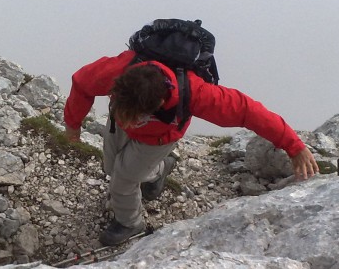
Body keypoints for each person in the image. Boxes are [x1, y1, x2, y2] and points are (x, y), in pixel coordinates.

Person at [64, 22, 319, 246]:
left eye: (139, 115)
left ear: (160, 101)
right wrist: (72, 124)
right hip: (118, 124)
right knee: (111, 168)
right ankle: (159, 171)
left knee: (122, 180)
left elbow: (247, 111)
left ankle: (130, 223)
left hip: (159, 139)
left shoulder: (196, 93)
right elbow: (82, 83)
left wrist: (293, 146)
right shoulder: (119, 68)